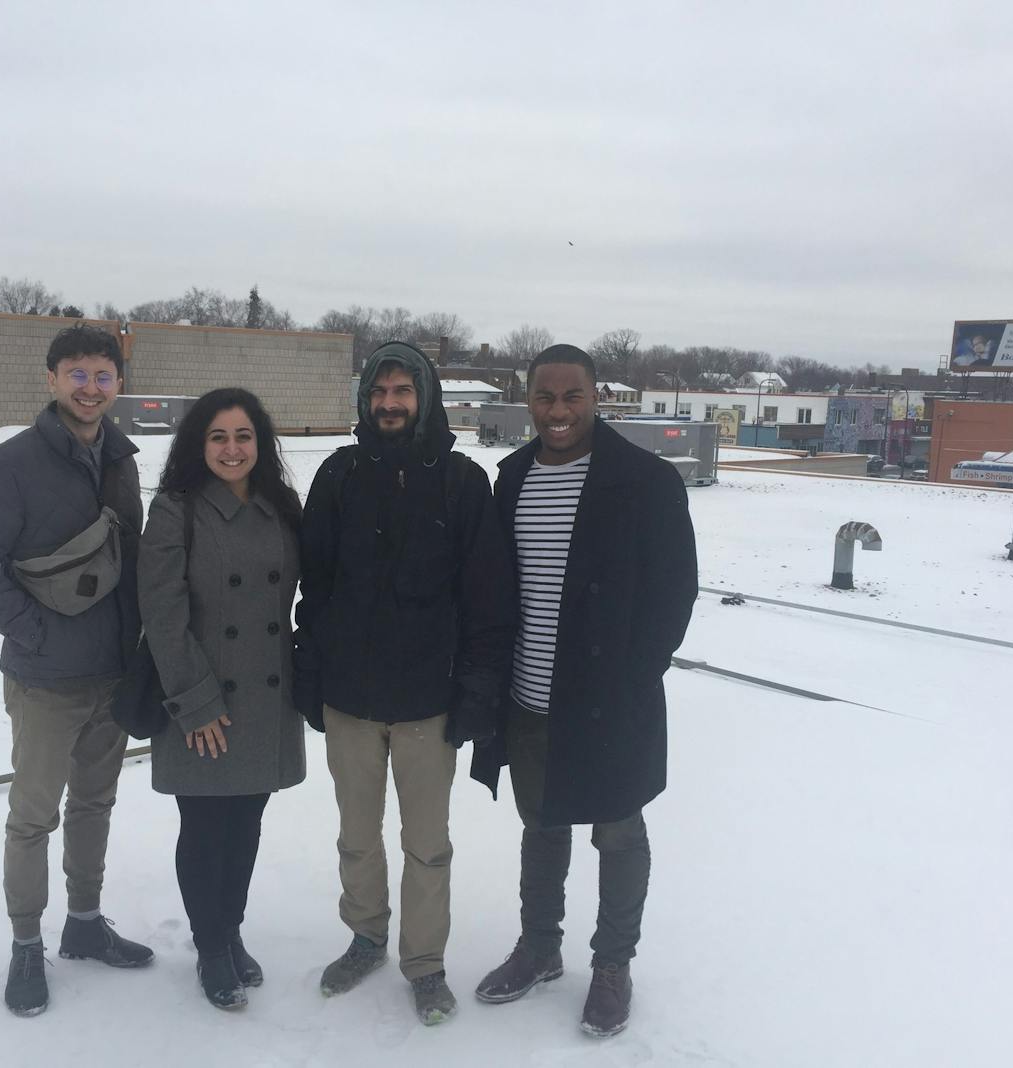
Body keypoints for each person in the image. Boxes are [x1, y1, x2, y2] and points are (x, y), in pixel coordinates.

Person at [471, 344, 697, 1038]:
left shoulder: (645, 480)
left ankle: (611, 965)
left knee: (618, 833)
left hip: (609, 699)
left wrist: (633, 675)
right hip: (529, 696)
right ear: (528, 400)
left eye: (573, 397)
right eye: (546, 397)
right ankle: (540, 947)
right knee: (540, 825)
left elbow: (673, 592)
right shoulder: (510, 478)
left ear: (598, 397)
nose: (559, 411)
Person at [293, 341, 516, 1025]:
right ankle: (365, 936)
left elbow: (488, 601)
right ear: (366, 400)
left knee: (428, 845)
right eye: (380, 393)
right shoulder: (337, 475)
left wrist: (476, 689)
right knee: (356, 836)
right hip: (351, 702)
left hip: (429, 704)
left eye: (403, 392)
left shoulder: (461, 482)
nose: (390, 404)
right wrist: (312, 673)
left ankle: (424, 963)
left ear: (425, 398)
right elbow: (315, 586)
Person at [0, 323, 154, 1018]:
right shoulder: (11, 465)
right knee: (33, 817)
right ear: (52, 379)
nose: (91, 388)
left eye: (103, 375)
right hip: (45, 682)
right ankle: (26, 942)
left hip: (113, 675)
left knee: (96, 803)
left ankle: (84, 923)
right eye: (77, 374)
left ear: (118, 383)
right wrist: (33, 630)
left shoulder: (121, 459)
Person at [136, 388, 306, 1010]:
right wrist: (195, 700)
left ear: (260, 444)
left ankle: (229, 930)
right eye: (218, 437)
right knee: (206, 826)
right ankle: (211, 947)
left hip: (265, 697)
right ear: (197, 445)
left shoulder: (281, 506)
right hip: (200, 698)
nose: (232, 450)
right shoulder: (177, 510)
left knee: (247, 824)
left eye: (243, 437)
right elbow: (161, 613)